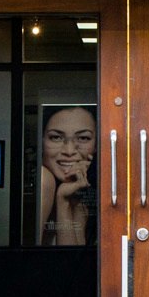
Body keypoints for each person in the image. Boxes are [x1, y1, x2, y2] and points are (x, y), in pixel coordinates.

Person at [37, 105, 97, 246]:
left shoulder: (80, 187)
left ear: (96, 146)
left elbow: (73, 259)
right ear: (42, 141)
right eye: (56, 137)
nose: (69, 151)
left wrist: (63, 201)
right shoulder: (44, 179)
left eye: (83, 138)